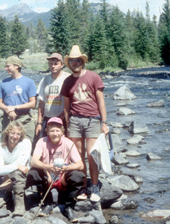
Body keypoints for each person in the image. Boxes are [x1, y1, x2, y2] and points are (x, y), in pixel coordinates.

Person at [60, 45, 109, 202]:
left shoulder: (94, 77)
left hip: (92, 120)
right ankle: (82, 187)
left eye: (77, 60)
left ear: (82, 61)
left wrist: (104, 122)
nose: (74, 63)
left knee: (92, 155)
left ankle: (94, 188)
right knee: (78, 157)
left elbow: (101, 101)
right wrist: (67, 127)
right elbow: (66, 108)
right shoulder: (67, 82)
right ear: (69, 63)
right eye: (72, 61)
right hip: (74, 121)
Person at [28, 117, 84, 222]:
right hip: (48, 175)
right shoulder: (41, 141)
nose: (55, 133)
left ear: (62, 132)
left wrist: (67, 168)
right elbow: (33, 161)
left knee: (77, 175)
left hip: (63, 177)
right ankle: (48, 203)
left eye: (58, 130)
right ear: (47, 132)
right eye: (52, 130)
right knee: (34, 172)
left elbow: (80, 165)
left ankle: (68, 207)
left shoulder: (69, 143)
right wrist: (49, 167)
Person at [0, 121, 31, 216]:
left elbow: (21, 164)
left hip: (22, 177)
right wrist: (16, 167)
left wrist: (9, 170)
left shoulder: (26, 143)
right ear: (7, 133)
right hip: (4, 179)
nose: (15, 136)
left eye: (18, 134)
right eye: (12, 133)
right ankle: (10, 196)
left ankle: (19, 206)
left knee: (17, 173)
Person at [0, 56, 37, 142]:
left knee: (27, 144)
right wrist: (8, 110)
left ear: (16, 66)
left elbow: (33, 103)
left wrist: (15, 107)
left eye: (8, 66)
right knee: (7, 145)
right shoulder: (3, 83)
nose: (6, 68)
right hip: (8, 119)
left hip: (25, 119)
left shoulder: (29, 82)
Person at [36, 53, 70, 138]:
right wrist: (39, 123)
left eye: (56, 64)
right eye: (51, 64)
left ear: (62, 65)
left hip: (63, 119)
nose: (53, 66)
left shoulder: (68, 78)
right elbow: (41, 103)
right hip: (48, 118)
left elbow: (74, 100)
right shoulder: (44, 80)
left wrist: (68, 114)